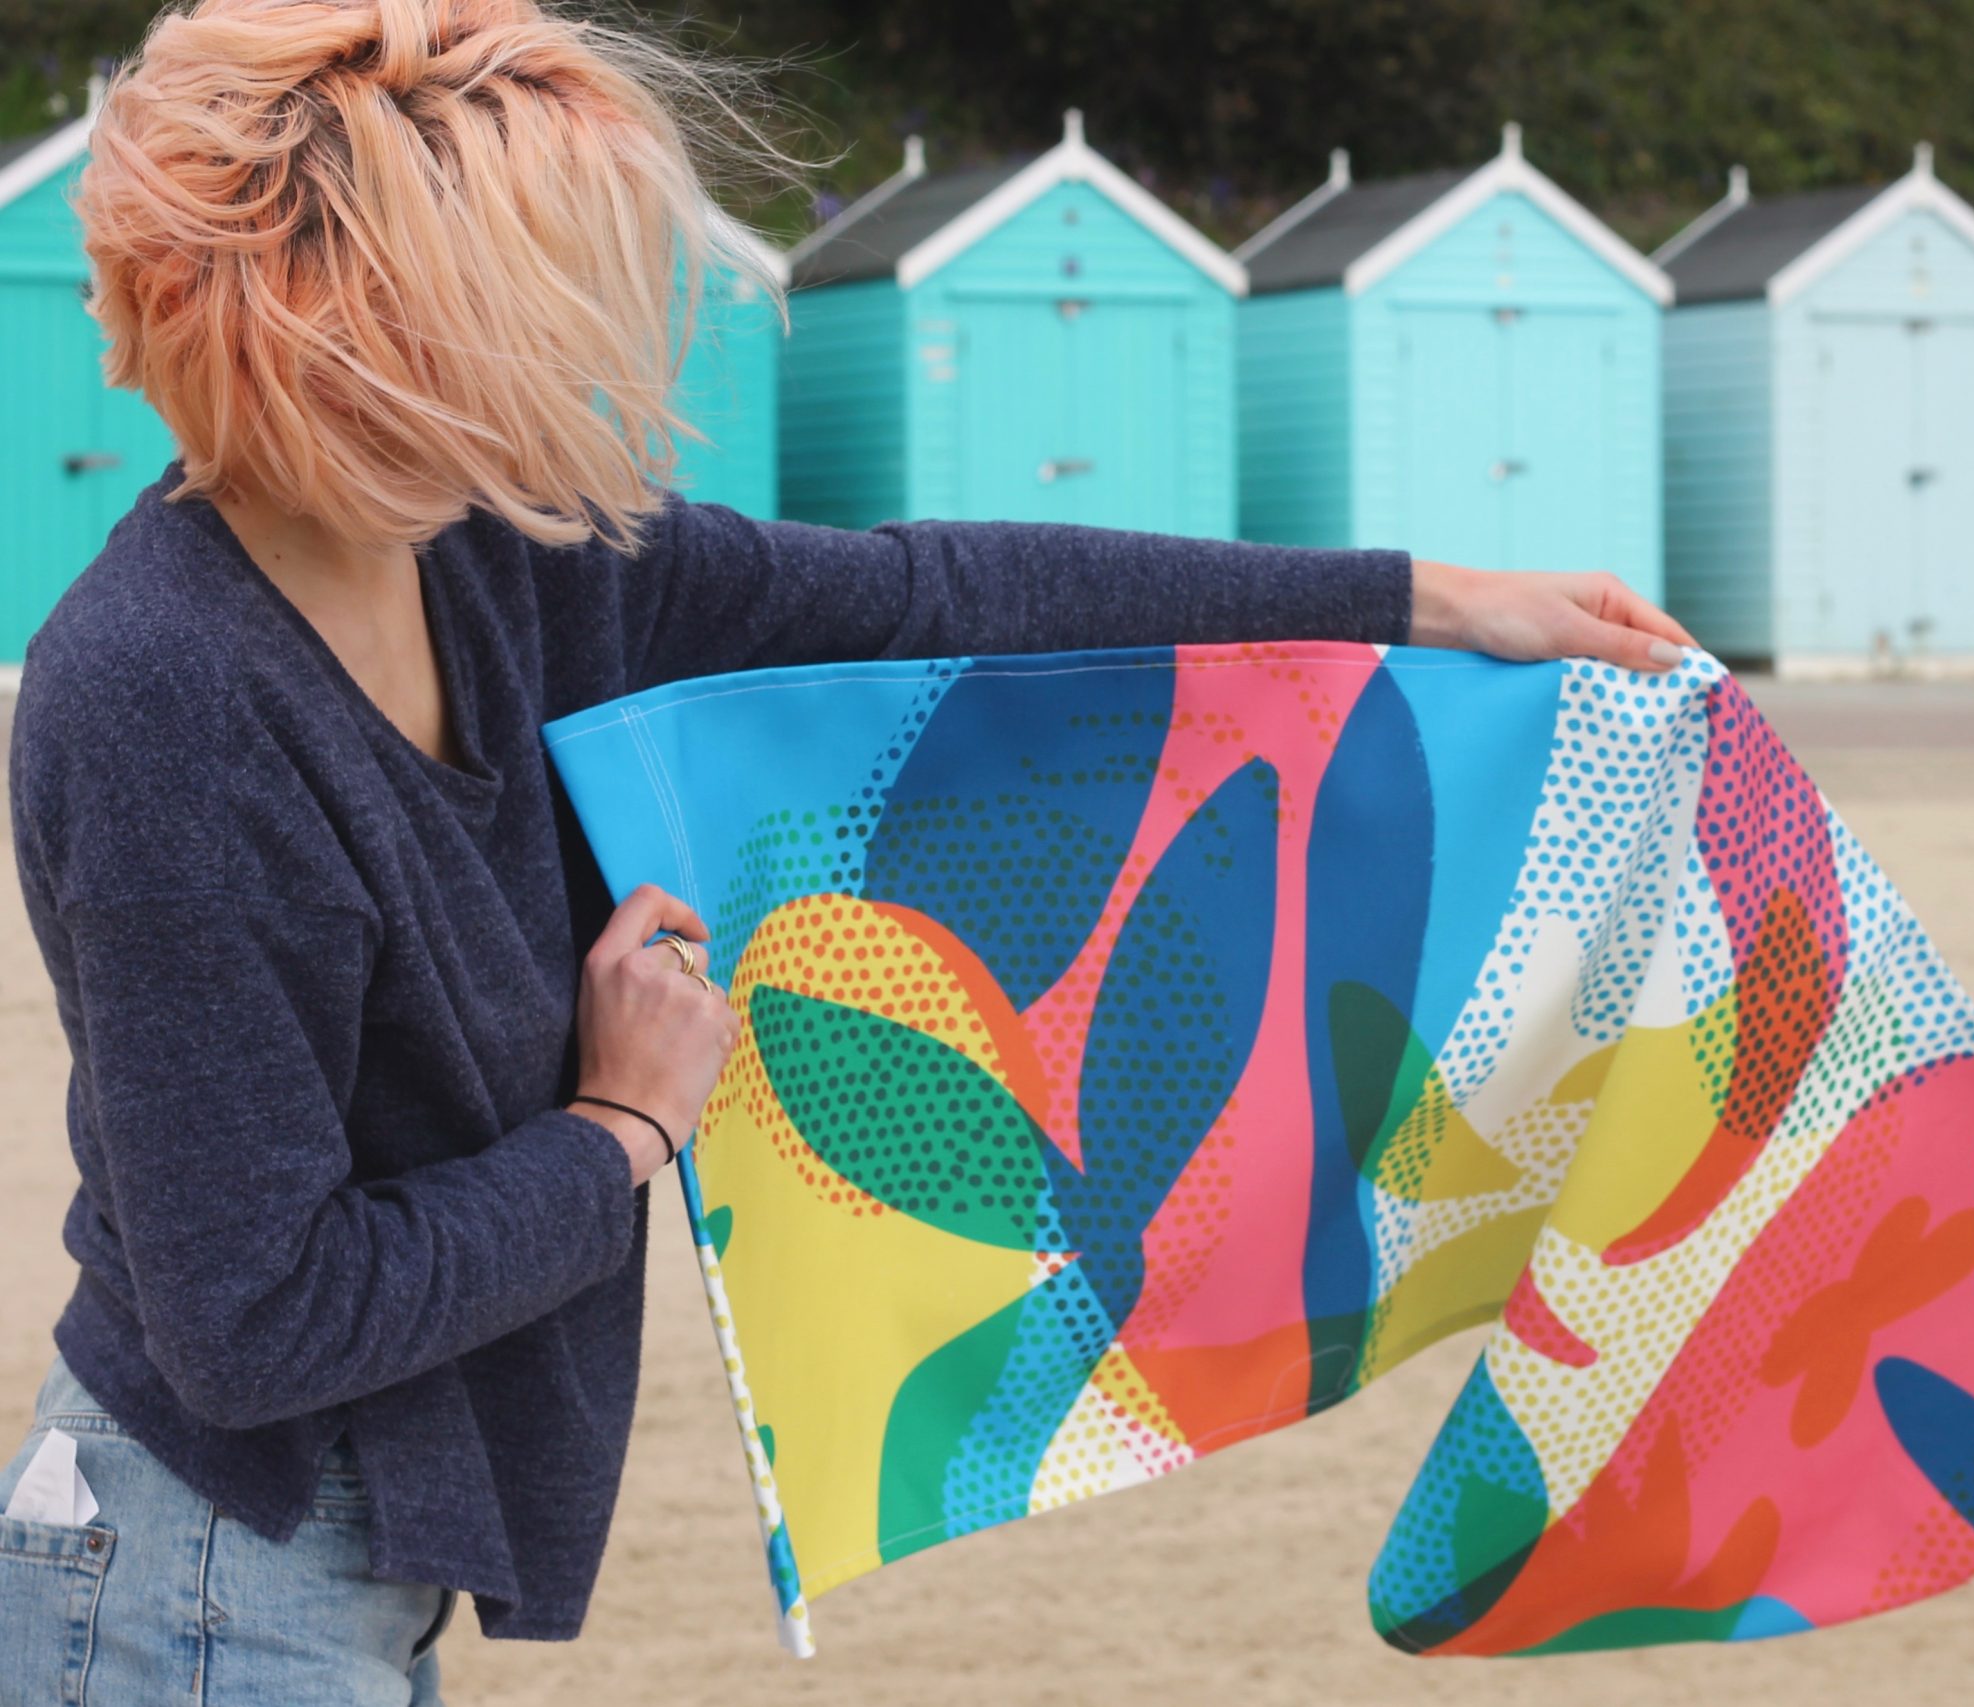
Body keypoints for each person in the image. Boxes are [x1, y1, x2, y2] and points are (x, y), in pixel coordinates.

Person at [0, 4, 1698, 1703]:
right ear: (339, 335)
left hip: (330, 1562)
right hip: (197, 1576)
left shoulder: (504, 563)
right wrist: (620, 1128)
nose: (563, 366)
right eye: (512, 314)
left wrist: (1423, 604)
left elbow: (933, 599)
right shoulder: (168, 699)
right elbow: (256, 1322)